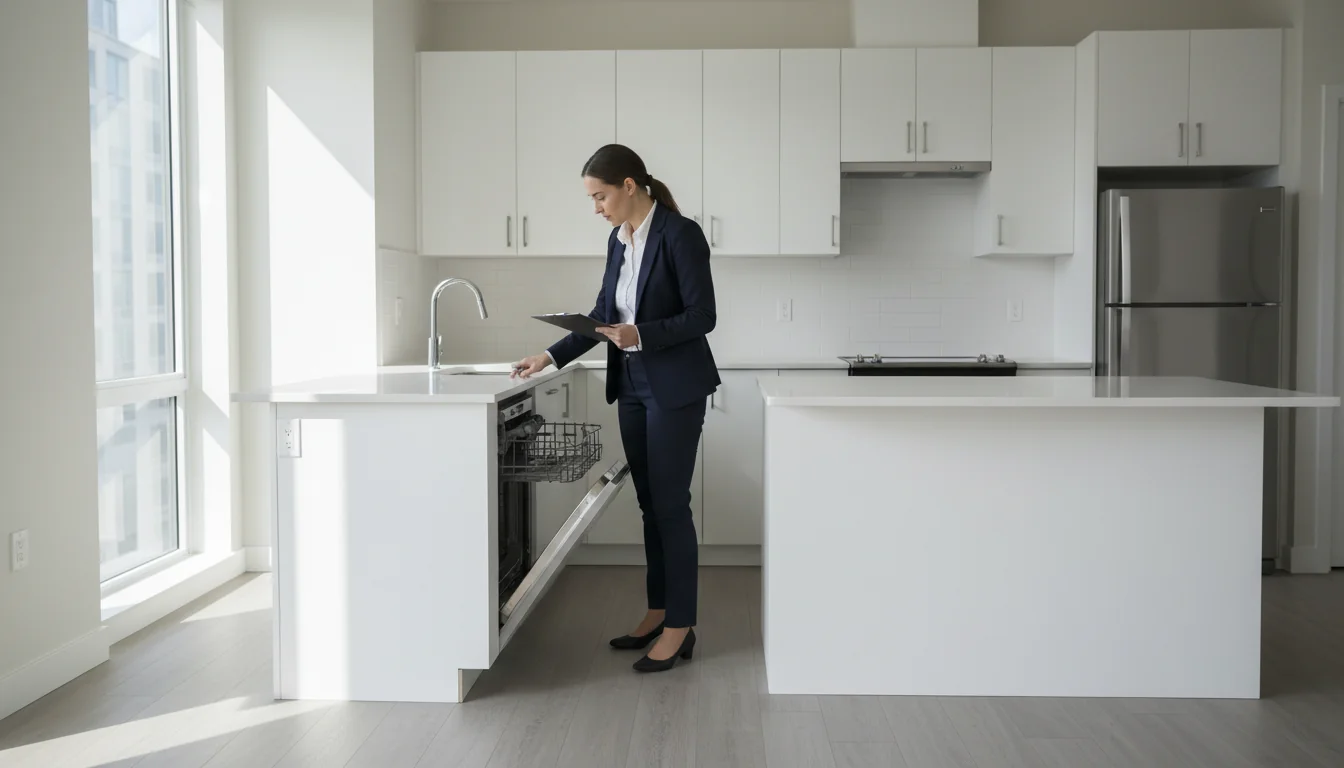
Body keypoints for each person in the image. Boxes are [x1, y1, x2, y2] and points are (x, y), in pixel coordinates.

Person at [513, 144, 720, 673]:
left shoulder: (680, 233)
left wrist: (640, 334)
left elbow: (703, 316)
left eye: (600, 196)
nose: (597, 208)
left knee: (671, 505)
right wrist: (549, 356)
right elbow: (604, 314)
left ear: (630, 186)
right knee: (651, 504)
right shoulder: (618, 240)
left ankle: (682, 625)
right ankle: (657, 611)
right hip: (630, 385)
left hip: (674, 388)